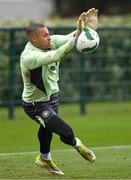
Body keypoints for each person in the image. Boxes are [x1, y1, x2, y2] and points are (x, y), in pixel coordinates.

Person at [20, 8, 99, 175]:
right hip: (36, 104)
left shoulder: (51, 41)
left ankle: (44, 158)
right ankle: (77, 144)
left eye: (49, 34)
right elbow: (56, 56)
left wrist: (86, 29)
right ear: (33, 39)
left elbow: (70, 38)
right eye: (45, 35)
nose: (49, 38)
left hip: (53, 98)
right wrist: (77, 36)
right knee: (65, 131)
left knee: (47, 128)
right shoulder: (29, 57)